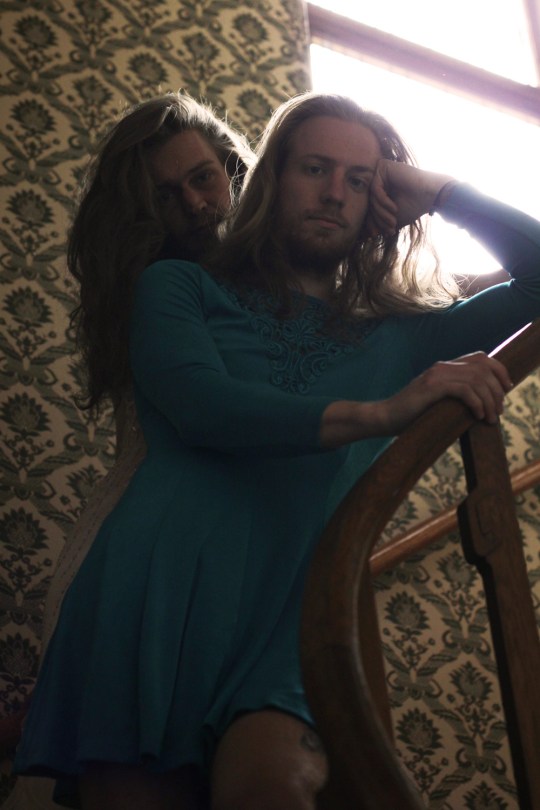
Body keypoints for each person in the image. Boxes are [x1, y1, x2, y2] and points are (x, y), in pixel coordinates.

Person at [13, 92, 540, 810]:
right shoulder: (178, 285)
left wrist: (443, 192)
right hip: (156, 589)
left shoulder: (405, 336)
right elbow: (204, 407)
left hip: (296, 607)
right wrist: (383, 412)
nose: (334, 192)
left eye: (359, 179)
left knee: (273, 783)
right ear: (270, 178)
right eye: (314, 168)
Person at [40, 91, 254, 657]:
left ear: (232, 169)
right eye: (165, 195)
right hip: (134, 555)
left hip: (224, 554)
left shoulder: (275, 284)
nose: (195, 204)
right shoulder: (154, 293)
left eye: (203, 178)